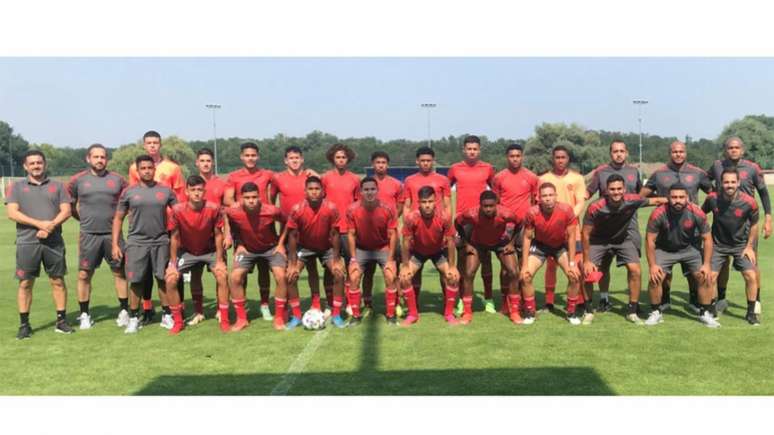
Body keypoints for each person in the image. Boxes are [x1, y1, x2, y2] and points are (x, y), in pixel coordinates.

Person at [7, 150, 73, 339]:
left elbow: (66, 211)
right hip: (27, 242)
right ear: (25, 166)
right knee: (26, 283)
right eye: (32, 163)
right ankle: (24, 324)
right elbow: (12, 213)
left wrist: (49, 227)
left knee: (58, 281)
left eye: (39, 162)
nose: (36, 166)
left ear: (44, 164)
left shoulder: (58, 186)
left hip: (53, 242)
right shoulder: (16, 187)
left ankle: (61, 321)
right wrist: (39, 224)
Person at [640, 140, 712, 312]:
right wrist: (660, 200)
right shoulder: (659, 174)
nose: (678, 154)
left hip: (691, 230)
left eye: (681, 151)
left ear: (686, 152)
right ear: (669, 153)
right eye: (674, 152)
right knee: (665, 272)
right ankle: (664, 299)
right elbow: (641, 198)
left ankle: (694, 300)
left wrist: (701, 212)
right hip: (666, 229)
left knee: (693, 272)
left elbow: (713, 194)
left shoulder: (697, 173)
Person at [582, 174, 664, 325]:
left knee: (635, 270)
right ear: (606, 190)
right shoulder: (595, 207)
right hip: (598, 241)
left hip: (622, 239)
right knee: (588, 273)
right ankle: (588, 311)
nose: (616, 192)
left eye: (619, 189)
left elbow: (656, 200)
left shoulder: (632, 200)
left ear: (624, 189)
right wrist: (586, 261)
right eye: (612, 189)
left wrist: (678, 200)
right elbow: (585, 234)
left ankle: (632, 312)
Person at [112, 155, 178, 334]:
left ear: (154, 169)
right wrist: (115, 244)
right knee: (136, 281)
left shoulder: (165, 191)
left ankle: (167, 315)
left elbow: (180, 213)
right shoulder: (129, 192)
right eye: (143, 168)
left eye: (150, 168)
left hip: (160, 241)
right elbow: (118, 218)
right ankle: (134, 318)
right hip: (136, 243)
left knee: (162, 280)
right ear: (138, 170)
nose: (147, 171)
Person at [67, 144, 129, 329]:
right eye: (96, 157)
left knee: (119, 272)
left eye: (103, 157)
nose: (100, 160)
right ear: (88, 159)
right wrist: (85, 220)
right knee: (84, 274)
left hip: (113, 235)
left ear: (106, 159)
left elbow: (128, 203)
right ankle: (85, 314)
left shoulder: (118, 180)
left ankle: (124, 311)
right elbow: (70, 206)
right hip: (89, 235)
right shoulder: (77, 180)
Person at [707, 136, 771, 315]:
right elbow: (705, 181)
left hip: (747, 225)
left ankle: (756, 300)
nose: (733, 150)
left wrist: (768, 218)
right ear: (725, 150)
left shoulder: (752, 168)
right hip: (723, 224)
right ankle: (721, 298)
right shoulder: (717, 165)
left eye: (736, 147)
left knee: (752, 263)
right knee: (723, 264)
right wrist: (713, 195)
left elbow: (764, 194)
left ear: (742, 150)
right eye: (730, 147)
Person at [127, 130, 185, 326]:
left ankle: (175, 310)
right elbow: (134, 196)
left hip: (167, 227)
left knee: (167, 271)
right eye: (149, 143)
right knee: (143, 274)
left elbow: (179, 197)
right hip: (145, 228)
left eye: (155, 142)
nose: (152, 145)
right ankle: (147, 307)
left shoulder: (173, 168)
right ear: (144, 145)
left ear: (160, 145)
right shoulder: (135, 168)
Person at [644, 183, 717, 327]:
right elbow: (650, 240)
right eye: (674, 197)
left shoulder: (697, 212)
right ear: (668, 198)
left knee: (704, 276)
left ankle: (705, 313)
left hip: (689, 249)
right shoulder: (658, 213)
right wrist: (652, 265)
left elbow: (707, 239)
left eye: (681, 197)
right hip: (664, 250)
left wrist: (707, 264)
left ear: (687, 198)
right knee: (655, 278)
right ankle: (655, 312)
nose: (678, 200)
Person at [165, 175, 230, 333]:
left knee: (222, 275)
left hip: (209, 251)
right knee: (171, 279)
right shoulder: (177, 210)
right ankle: (178, 321)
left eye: (200, 190)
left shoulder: (213, 208)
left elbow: (218, 235)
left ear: (204, 192)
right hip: (187, 252)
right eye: (193, 190)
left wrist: (220, 260)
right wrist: (172, 264)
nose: (196, 193)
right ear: (186, 191)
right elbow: (173, 238)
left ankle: (225, 319)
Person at [586, 139, 642, 312]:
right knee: (603, 265)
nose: (619, 154)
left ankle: (634, 303)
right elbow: (588, 193)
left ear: (626, 153)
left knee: (633, 266)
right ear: (610, 153)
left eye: (622, 151)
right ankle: (604, 299)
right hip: (606, 227)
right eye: (615, 151)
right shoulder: (601, 172)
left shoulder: (634, 171)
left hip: (630, 226)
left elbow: (641, 194)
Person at [286, 176, 348, 328]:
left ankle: (336, 314)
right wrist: (292, 263)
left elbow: (334, 235)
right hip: (304, 247)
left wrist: (337, 258)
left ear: (323, 191)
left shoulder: (331, 208)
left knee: (339, 273)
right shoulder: (297, 209)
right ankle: (296, 316)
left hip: (326, 247)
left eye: (317, 189)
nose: (314, 192)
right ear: (305, 191)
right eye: (311, 189)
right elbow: (293, 236)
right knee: (290, 276)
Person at [225, 182, 288, 331]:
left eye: (254, 197)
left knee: (281, 276)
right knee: (234, 277)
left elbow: (287, 222)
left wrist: (280, 244)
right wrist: (236, 241)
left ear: (259, 197)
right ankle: (241, 319)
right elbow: (226, 216)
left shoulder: (271, 210)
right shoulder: (234, 211)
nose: (251, 200)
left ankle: (279, 317)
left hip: (271, 248)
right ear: (241, 198)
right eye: (247, 197)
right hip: (247, 250)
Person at [701, 168, 761, 325]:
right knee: (710, 277)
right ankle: (712, 308)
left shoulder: (749, 202)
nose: (729, 185)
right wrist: (704, 236)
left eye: (733, 182)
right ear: (720, 183)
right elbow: (700, 215)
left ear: (738, 183)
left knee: (751, 275)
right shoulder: (712, 198)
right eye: (726, 182)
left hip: (740, 246)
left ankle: (751, 313)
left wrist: (749, 247)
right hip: (718, 245)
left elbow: (754, 225)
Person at [224, 142, 275, 321]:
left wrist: (310, 173)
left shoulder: (267, 174)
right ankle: (242, 305)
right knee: (241, 270)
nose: (250, 158)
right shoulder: (234, 176)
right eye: (247, 155)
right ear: (241, 157)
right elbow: (228, 198)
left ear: (258, 156)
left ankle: (264, 305)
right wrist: (235, 204)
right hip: (243, 230)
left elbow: (284, 181)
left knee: (263, 269)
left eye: (253, 155)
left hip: (263, 226)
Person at [270, 146, 324, 310]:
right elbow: (271, 204)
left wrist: (317, 175)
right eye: (291, 158)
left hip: (309, 230)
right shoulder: (278, 178)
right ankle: (288, 303)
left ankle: (316, 301)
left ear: (302, 159)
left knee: (312, 268)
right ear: (285, 160)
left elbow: (322, 194)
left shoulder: (310, 177)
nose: (294, 161)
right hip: (288, 231)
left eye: (297, 158)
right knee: (288, 269)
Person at [448, 135, 498, 314]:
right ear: (464, 149)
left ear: (479, 150)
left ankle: (489, 299)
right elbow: (446, 192)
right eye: (469, 149)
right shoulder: (455, 169)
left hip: (483, 221)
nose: (472, 152)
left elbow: (496, 192)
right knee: (462, 262)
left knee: (486, 260)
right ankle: (462, 299)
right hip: (463, 222)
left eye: (475, 149)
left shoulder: (488, 168)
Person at [456, 191, 522, 324]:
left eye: (491, 206)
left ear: (496, 205)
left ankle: (514, 312)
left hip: (500, 243)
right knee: (468, 273)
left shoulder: (506, 214)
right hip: (478, 244)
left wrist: (511, 242)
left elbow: (520, 223)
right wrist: (466, 243)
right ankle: (467, 312)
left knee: (514, 272)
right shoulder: (471, 214)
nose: (488, 209)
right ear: (480, 205)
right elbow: (457, 223)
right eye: (485, 206)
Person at [520, 183, 582, 325]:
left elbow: (572, 237)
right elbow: (527, 237)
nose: (547, 199)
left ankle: (571, 313)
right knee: (525, 276)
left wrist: (572, 264)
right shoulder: (532, 213)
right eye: (544, 196)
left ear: (556, 196)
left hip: (560, 246)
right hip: (540, 246)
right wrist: (524, 265)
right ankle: (530, 313)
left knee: (574, 276)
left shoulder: (566, 210)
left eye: (550, 195)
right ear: (539, 198)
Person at [182, 148, 230, 326]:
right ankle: (198, 311)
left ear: (213, 163)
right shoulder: (192, 183)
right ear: (197, 163)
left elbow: (226, 211)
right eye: (202, 161)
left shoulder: (221, 184)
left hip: (215, 238)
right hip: (195, 239)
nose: (205, 164)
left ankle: (221, 308)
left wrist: (228, 234)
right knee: (195, 276)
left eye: (208, 161)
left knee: (220, 274)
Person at [400, 186, 460, 325]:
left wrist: (452, 266)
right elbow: (405, 243)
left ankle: (449, 314)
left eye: (430, 201)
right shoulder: (411, 218)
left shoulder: (444, 217)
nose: (427, 205)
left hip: (438, 252)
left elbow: (451, 242)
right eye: (424, 202)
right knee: (404, 278)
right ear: (418, 202)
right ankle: (413, 314)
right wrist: (404, 266)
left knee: (453, 276)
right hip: (418, 253)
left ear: (436, 201)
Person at [402, 146, 452, 305]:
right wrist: (407, 227)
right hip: (417, 230)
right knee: (413, 273)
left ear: (433, 161)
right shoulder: (410, 180)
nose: (425, 163)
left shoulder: (442, 180)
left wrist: (446, 229)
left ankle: (448, 303)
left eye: (428, 160)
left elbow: (447, 205)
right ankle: (413, 305)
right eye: (422, 160)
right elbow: (407, 205)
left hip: (437, 230)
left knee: (446, 273)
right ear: (417, 161)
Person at [345, 177, 399, 326]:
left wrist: (390, 259)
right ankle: (355, 316)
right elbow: (351, 234)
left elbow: (393, 234)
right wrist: (353, 259)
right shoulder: (352, 209)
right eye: (366, 189)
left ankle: (390, 315)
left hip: (382, 248)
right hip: (362, 249)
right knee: (354, 276)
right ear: (361, 191)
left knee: (390, 275)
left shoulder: (388, 208)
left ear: (377, 190)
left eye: (372, 189)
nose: (370, 192)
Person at [538, 146, 586, 312]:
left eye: (563, 157)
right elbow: (539, 203)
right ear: (553, 158)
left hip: (573, 229)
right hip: (551, 232)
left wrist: (569, 219)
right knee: (551, 265)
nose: (560, 160)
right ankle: (549, 301)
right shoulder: (543, 178)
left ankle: (578, 300)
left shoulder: (577, 178)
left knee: (577, 265)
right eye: (557, 157)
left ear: (568, 159)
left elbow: (580, 201)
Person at [492, 143, 538, 314]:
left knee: (522, 264)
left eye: (518, 155)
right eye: (512, 156)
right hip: (506, 228)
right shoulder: (499, 178)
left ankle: (520, 301)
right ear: (507, 157)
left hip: (525, 227)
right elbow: (496, 203)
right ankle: (505, 302)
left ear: (522, 156)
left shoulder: (532, 177)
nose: (515, 159)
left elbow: (534, 202)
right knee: (506, 268)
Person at [362, 151, 404, 315]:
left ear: (388, 164)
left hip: (390, 234)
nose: (381, 165)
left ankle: (396, 301)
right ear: (373, 164)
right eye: (378, 162)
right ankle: (367, 302)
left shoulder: (396, 184)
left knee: (394, 270)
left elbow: (400, 205)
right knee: (368, 271)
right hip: (369, 234)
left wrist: (389, 221)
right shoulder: (367, 183)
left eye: (384, 162)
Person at [321, 143, 360, 313]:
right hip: (330, 231)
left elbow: (359, 204)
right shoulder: (326, 178)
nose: (341, 160)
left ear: (348, 159)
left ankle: (350, 302)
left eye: (344, 157)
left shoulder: (355, 179)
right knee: (331, 269)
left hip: (349, 231)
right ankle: (331, 304)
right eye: (338, 157)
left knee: (351, 267)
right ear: (332, 159)